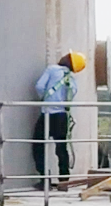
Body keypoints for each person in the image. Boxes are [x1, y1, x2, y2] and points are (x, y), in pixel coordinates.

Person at [32, 51, 87, 186]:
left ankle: (45, 179)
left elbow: (39, 86)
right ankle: (64, 180)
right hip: (62, 116)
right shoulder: (72, 80)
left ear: (67, 59)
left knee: (38, 145)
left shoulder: (52, 69)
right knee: (61, 148)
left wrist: (45, 99)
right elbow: (71, 95)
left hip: (47, 114)